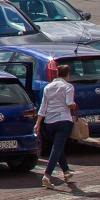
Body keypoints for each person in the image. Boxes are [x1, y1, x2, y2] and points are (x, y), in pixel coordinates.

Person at [38, 61, 79, 189]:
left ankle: (66, 172)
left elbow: (43, 107)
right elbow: (69, 102)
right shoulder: (68, 86)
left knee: (57, 146)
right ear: (66, 74)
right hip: (63, 120)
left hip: (49, 122)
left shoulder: (48, 87)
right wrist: (74, 105)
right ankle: (47, 175)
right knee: (57, 148)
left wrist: (37, 123)